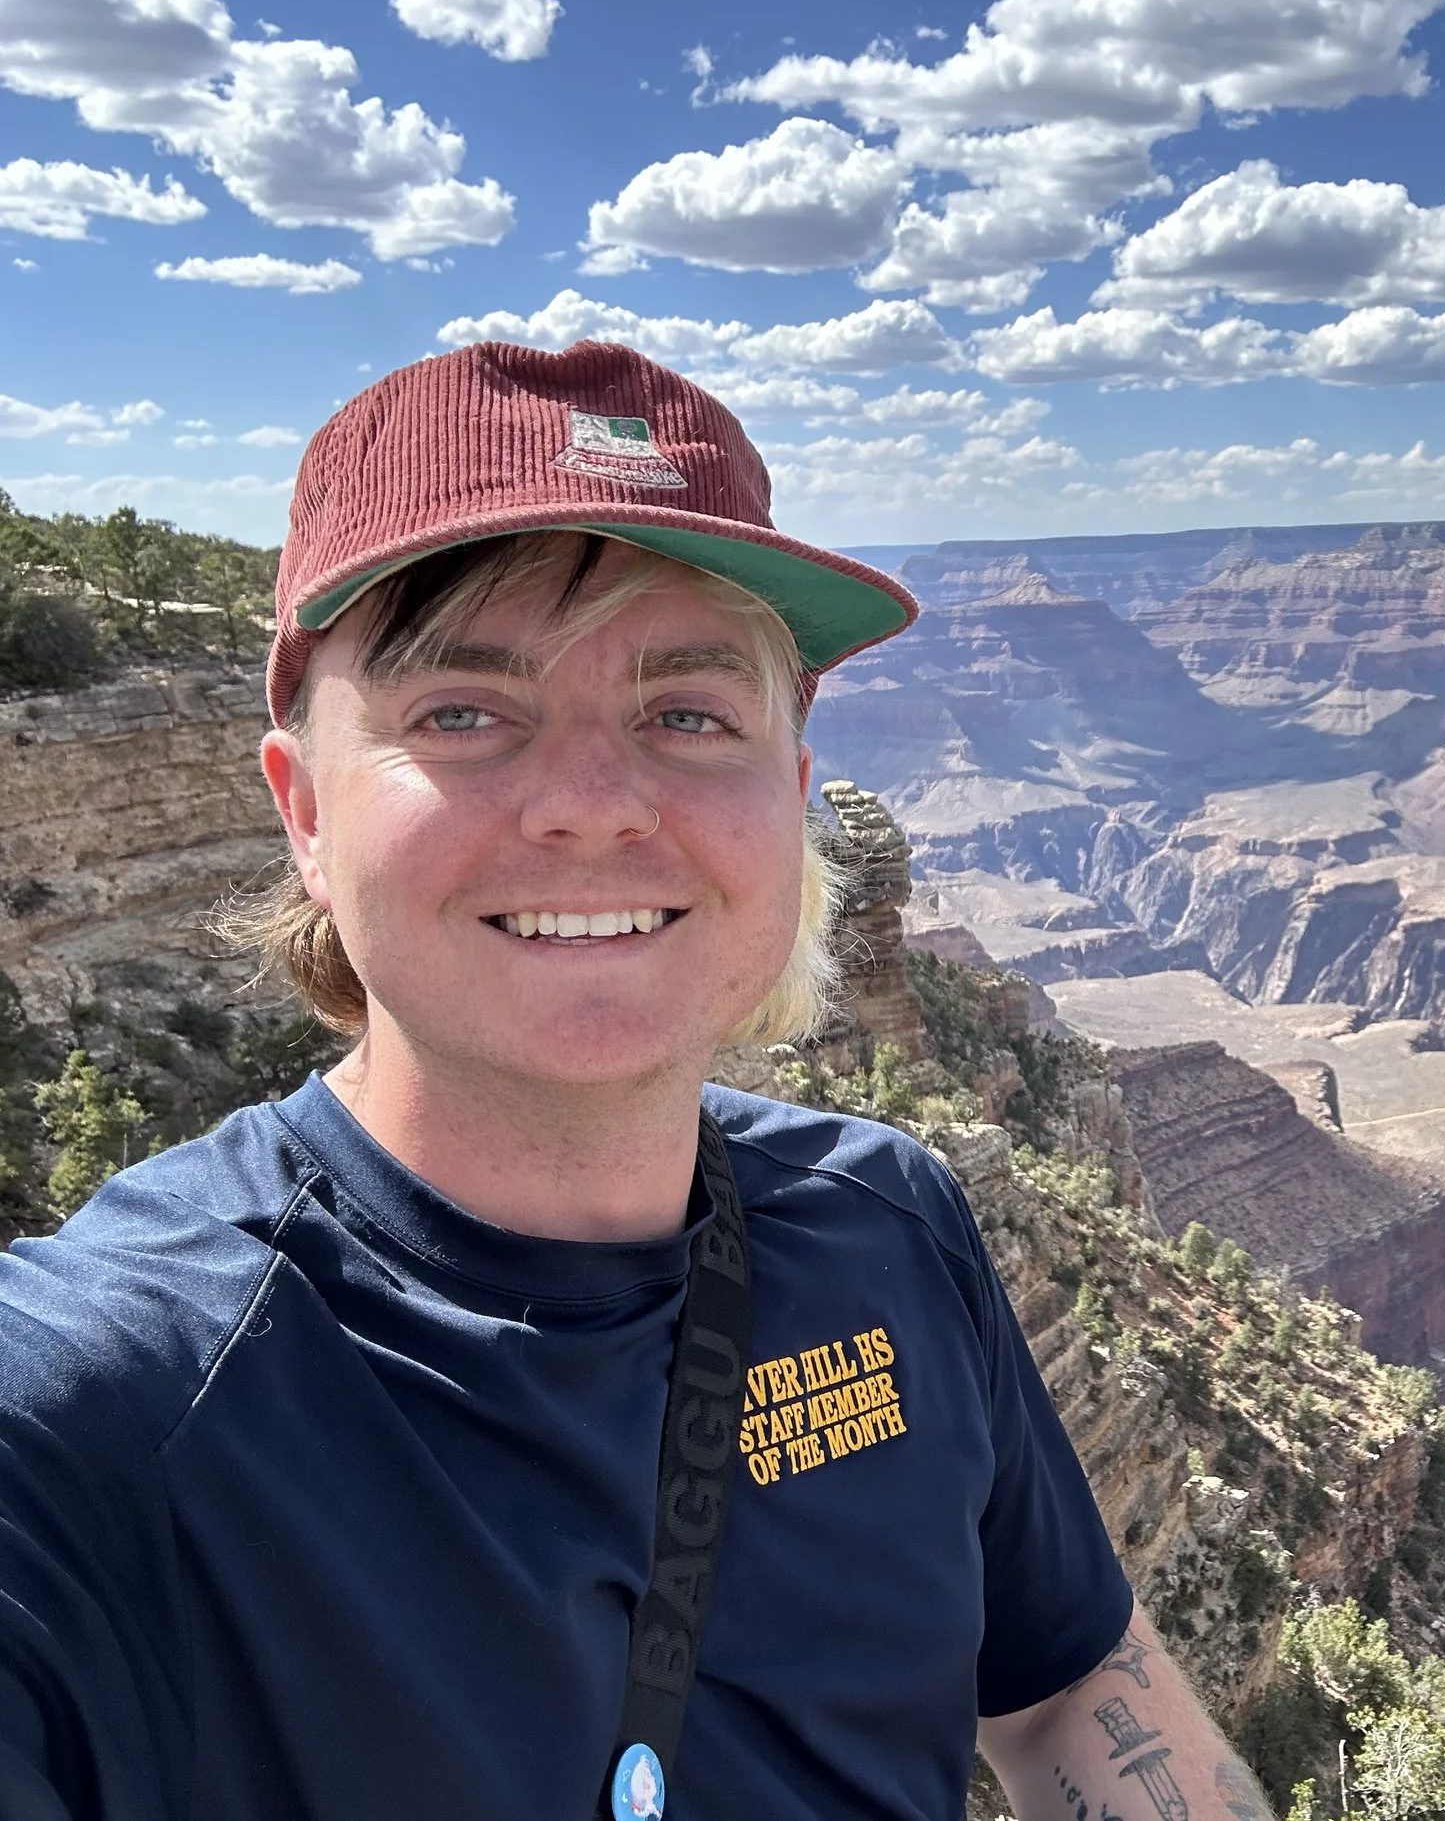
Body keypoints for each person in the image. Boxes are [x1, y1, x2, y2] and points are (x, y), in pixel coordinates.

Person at [0, 342, 1275, 1821]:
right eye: (464, 710)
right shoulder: (86, 1411)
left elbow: (1066, 1684)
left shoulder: (893, 1225)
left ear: (792, 801)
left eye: (689, 713)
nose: (596, 804)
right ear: (301, 811)